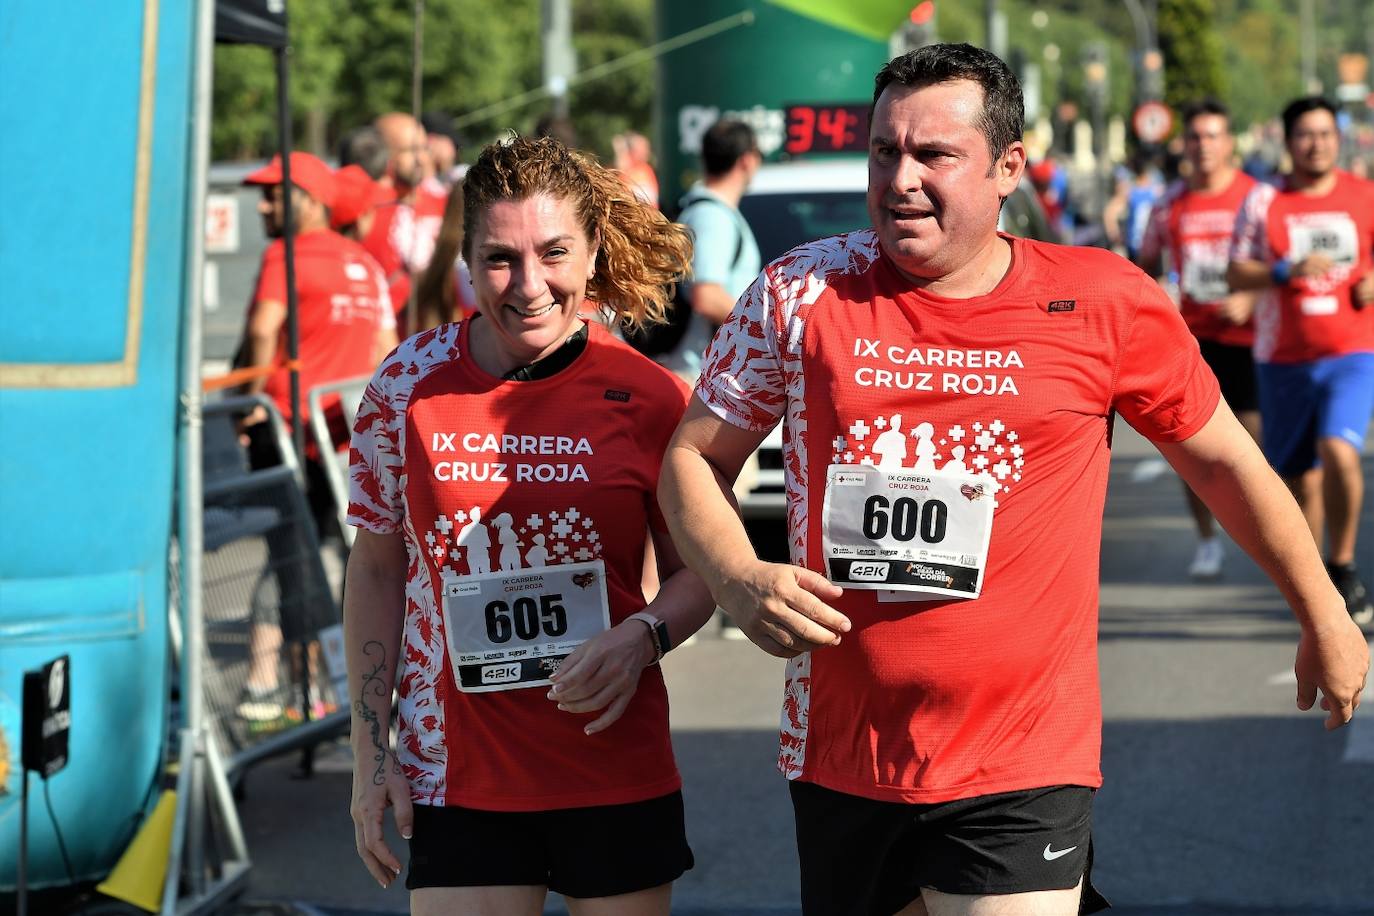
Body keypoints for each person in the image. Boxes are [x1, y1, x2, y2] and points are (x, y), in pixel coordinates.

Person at [658, 44, 1369, 915]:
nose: (901, 179)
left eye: (934, 156)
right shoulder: (801, 292)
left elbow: (1224, 463)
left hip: (1022, 756)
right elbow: (693, 458)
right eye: (886, 152)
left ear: (1008, 169)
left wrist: (1322, 611)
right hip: (842, 756)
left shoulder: (1103, 300)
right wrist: (737, 576)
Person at [344, 135, 715, 912]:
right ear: (467, 262)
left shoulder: (648, 396)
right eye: (500, 259)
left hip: (612, 764)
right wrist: (369, 752)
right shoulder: (405, 388)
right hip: (459, 775)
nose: (529, 285)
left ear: (591, 255)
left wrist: (642, 636)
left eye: (553, 253)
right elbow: (377, 569)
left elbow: (700, 578)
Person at [236, 152, 399, 718]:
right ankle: (320, 682)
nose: (263, 205)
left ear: (307, 200)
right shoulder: (365, 262)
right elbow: (385, 350)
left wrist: (243, 404)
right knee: (336, 560)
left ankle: (285, 687)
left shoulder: (286, 253)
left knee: (293, 559)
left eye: (274, 195)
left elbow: (261, 330)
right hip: (347, 441)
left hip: (290, 433)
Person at [1227, 96, 1374, 626]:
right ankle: (1317, 589)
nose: (1317, 144)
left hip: (1351, 353)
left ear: (1340, 139)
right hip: (1282, 358)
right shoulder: (1265, 200)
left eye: (1326, 134)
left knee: (1340, 450)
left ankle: (1344, 564)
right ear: (1288, 143)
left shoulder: (1365, 196)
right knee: (1300, 479)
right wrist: (1286, 271)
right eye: (1306, 135)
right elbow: (1237, 273)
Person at [1137, 99, 1260, 580]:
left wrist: (1251, 299)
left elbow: (1280, 267)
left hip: (1249, 339)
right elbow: (1145, 265)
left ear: (1229, 143)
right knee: (1190, 447)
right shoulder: (1169, 203)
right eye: (1196, 137)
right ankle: (1208, 541)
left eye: (1213, 136)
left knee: (1251, 445)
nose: (1204, 146)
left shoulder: (1255, 196)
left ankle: (1259, 534)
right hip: (1190, 340)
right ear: (1184, 145)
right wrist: (1160, 295)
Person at [657, 119, 762, 381]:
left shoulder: (703, 209)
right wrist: (764, 330)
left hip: (700, 370)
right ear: (747, 160)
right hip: (697, 373)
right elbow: (706, 295)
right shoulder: (711, 217)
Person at [364, 112, 449, 335]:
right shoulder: (365, 211)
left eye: (424, 148)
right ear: (383, 154)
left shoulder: (444, 202)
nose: (421, 158)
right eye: (411, 150)